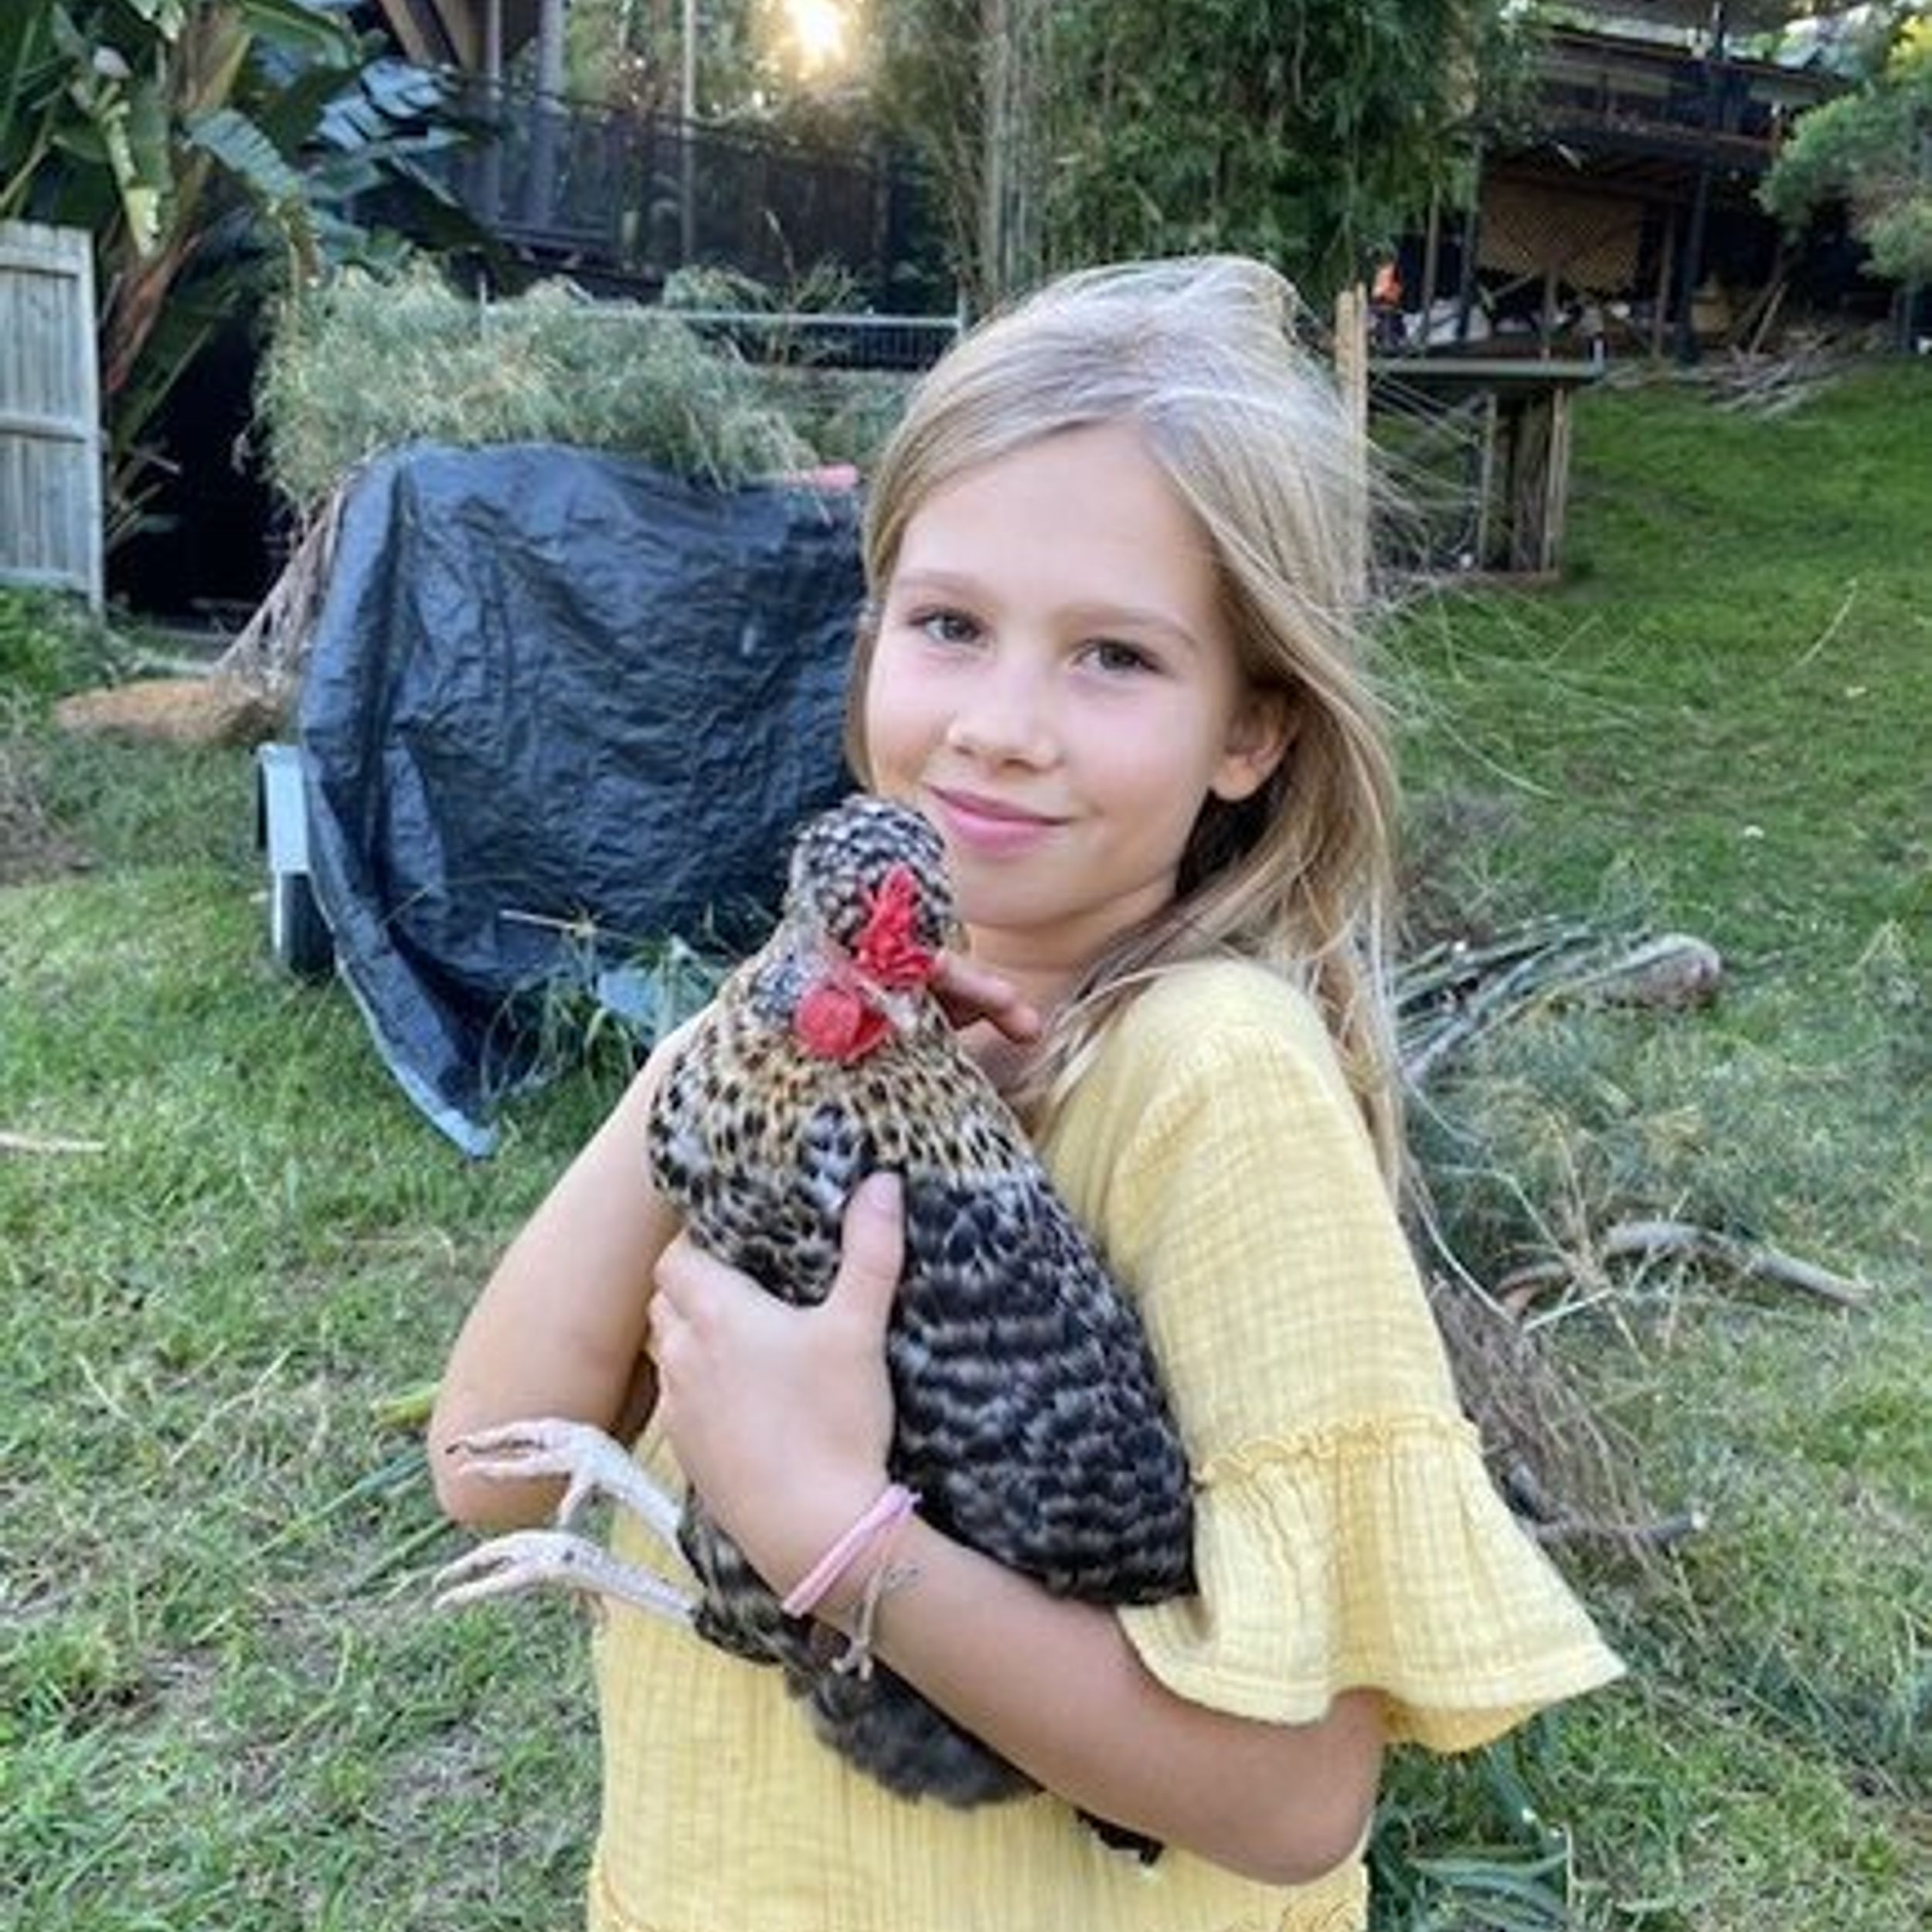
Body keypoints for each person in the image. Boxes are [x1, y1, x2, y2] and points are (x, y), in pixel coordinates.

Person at [429, 254, 1623, 1932]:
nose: (999, 725)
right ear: (872, 642)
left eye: (1113, 656)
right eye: (950, 625)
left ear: (1251, 730)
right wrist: (745, 1044)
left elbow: (1294, 1801)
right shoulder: (798, 1030)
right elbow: (492, 1466)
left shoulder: (1210, 1082)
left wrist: (836, 1534)